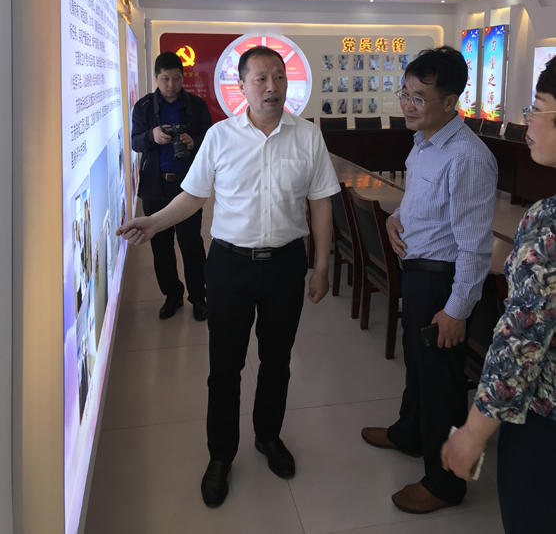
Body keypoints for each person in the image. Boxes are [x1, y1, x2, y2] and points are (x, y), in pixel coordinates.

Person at [117, 45, 340, 507]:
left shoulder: (308, 137)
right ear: (241, 86)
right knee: (224, 368)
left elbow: (321, 203)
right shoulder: (219, 136)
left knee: (277, 360)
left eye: (279, 77)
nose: (272, 87)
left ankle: (268, 435)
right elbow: (193, 196)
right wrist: (154, 221)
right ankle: (221, 455)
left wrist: (321, 266)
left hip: (284, 265)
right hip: (229, 265)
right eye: (261, 78)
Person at [360, 47, 498, 514]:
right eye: (404, 93)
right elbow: (416, 201)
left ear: (451, 101)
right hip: (418, 274)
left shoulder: (467, 158)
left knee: (442, 383)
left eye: (419, 97)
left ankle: (446, 483)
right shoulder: (423, 142)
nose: (407, 104)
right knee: (419, 367)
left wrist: (457, 309)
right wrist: (395, 219)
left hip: (443, 283)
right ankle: (410, 433)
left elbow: (475, 246)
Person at [441, 56, 556, 534]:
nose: (528, 121)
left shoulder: (548, 222)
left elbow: (523, 342)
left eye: (537, 108)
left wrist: (472, 432)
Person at [131, 51, 213, 321]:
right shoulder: (144, 107)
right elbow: (135, 142)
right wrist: (151, 135)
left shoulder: (196, 105)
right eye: (165, 79)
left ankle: (198, 297)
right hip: (155, 186)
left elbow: (210, 140)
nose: (170, 84)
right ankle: (172, 295)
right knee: (161, 244)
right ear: (156, 77)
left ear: (182, 77)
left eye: (176, 78)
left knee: (191, 243)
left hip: (188, 186)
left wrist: (193, 141)